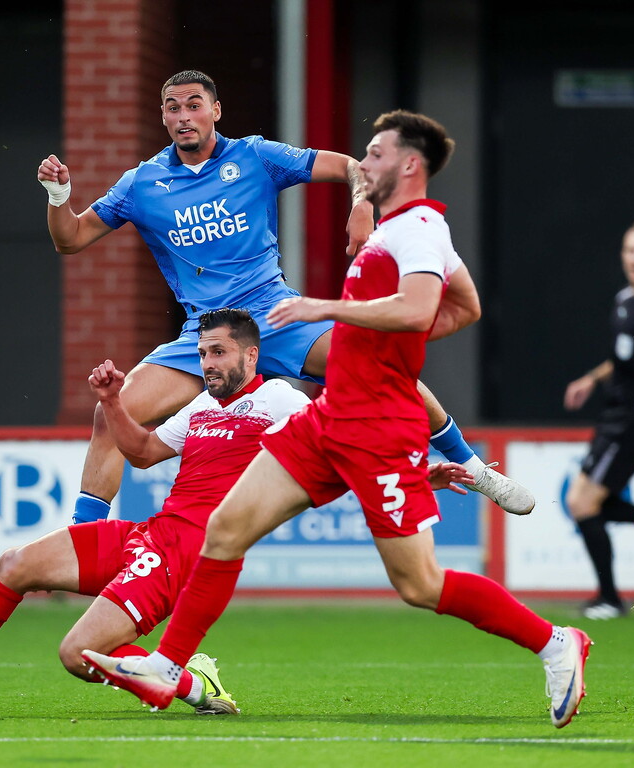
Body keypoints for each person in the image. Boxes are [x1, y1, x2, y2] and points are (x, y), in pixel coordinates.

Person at [82, 110, 592, 730]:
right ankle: (169, 664)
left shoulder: (421, 227)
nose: (363, 164)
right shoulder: (394, 231)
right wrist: (381, 346)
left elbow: (422, 306)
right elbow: (465, 307)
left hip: (378, 429)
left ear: (409, 165)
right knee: (225, 528)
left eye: (374, 155)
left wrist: (328, 311)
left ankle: (555, 641)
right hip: (328, 417)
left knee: (420, 584)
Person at [0, 308, 471, 713]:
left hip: (185, 557)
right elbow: (144, 453)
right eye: (203, 355)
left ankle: (188, 680)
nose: (208, 365)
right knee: (14, 563)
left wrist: (420, 470)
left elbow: (342, 450)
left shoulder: (282, 401)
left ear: (252, 357)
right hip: (147, 535)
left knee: (74, 655)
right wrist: (114, 403)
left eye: (220, 354)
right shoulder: (199, 408)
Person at [37, 69, 534, 524]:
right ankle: (85, 542)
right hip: (205, 335)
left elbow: (352, 167)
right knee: (110, 414)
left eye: (193, 104)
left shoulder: (253, 155)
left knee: (383, 366)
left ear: (216, 110)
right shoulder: (142, 183)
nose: (183, 115)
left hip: (275, 317)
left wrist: (362, 209)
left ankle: (475, 468)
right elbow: (70, 239)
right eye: (172, 106)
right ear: (162, 116)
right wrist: (60, 197)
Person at [562, 220, 634, 619]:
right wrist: (590, 379)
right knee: (586, 504)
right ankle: (611, 596)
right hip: (615, 415)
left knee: (581, 503)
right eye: (631, 250)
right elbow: (622, 360)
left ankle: (611, 599)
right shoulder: (625, 300)